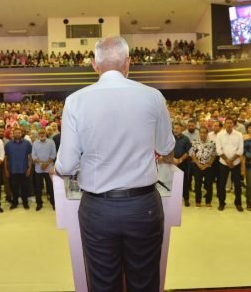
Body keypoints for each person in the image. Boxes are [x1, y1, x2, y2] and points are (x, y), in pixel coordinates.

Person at [55, 37, 175, 292]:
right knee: (144, 281)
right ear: (128, 63)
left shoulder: (76, 101)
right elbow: (166, 148)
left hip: (98, 208)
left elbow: (66, 165)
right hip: (144, 206)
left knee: (102, 282)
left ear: (93, 65)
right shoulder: (153, 97)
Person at [215, 118, 244, 212]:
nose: (229, 124)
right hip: (223, 163)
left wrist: (231, 160)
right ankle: (221, 203)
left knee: (237, 184)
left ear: (233, 124)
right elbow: (218, 150)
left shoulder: (239, 134)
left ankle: (238, 203)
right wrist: (227, 160)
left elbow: (240, 150)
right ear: (224, 124)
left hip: (236, 163)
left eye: (231, 123)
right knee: (222, 184)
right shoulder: (220, 135)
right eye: (227, 123)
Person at [4, 127, 33, 210]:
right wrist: (6, 169)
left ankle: (25, 203)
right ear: (13, 134)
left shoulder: (27, 143)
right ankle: (15, 203)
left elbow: (30, 157)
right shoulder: (8, 144)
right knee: (14, 188)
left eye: (19, 132)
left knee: (24, 188)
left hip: (24, 169)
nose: (18, 134)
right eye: (16, 132)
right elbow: (6, 158)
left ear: (21, 133)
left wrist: (29, 168)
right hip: (12, 170)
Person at [188, 127, 216, 207]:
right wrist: (198, 164)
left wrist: (207, 164)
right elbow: (192, 154)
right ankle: (198, 201)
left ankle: (208, 201)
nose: (203, 134)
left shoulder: (212, 143)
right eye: (201, 132)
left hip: (208, 166)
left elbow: (214, 155)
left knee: (209, 184)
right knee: (198, 184)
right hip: (197, 166)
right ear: (199, 133)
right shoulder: (194, 142)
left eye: (204, 132)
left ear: (207, 133)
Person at [32, 128, 56, 211]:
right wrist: (42, 164)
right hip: (38, 169)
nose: (42, 134)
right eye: (40, 133)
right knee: (38, 188)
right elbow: (33, 156)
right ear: (38, 134)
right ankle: (39, 203)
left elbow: (53, 155)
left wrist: (46, 164)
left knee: (51, 187)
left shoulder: (51, 142)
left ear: (46, 134)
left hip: (49, 169)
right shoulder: (35, 143)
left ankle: (53, 203)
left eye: (43, 133)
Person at [173, 122, 192, 206]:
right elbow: (168, 149)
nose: (175, 130)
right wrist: (173, 160)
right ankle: (174, 199)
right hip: (172, 163)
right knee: (173, 182)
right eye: (174, 128)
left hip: (183, 163)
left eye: (177, 128)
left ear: (182, 129)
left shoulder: (186, 139)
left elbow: (189, 152)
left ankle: (186, 198)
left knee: (184, 182)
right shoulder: (170, 138)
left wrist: (180, 160)